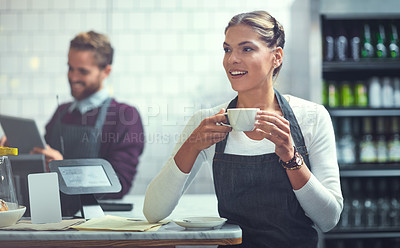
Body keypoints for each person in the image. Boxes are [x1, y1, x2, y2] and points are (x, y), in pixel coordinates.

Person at [143, 11, 343, 247]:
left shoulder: (312, 117)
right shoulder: (207, 121)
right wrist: (192, 144)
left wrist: (291, 158)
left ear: (276, 57)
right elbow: (153, 212)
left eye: (246, 49)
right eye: (227, 49)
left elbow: (328, 219)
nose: (232, 60)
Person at [2, 31, 144, 202]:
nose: (72, 77)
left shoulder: (125, 116)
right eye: (70, 68)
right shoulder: (62, 112)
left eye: (83, 71)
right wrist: (17, 150)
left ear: (106, 71)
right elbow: (40, 168)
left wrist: (64, 170)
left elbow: (120, 183)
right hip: (54, 215)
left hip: (96, 222)